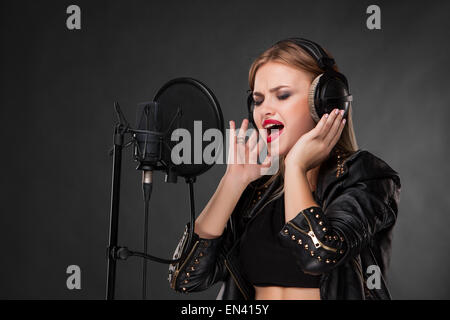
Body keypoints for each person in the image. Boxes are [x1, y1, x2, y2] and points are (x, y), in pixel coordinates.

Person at [168, 37, 401, 300]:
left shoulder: (366, 176)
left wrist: (296, 167)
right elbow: (185, 277)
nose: (264, 110)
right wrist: (232, 181)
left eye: (282, 95)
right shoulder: (257, 189)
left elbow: (317, 257)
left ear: (326, 103)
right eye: (258, 100)